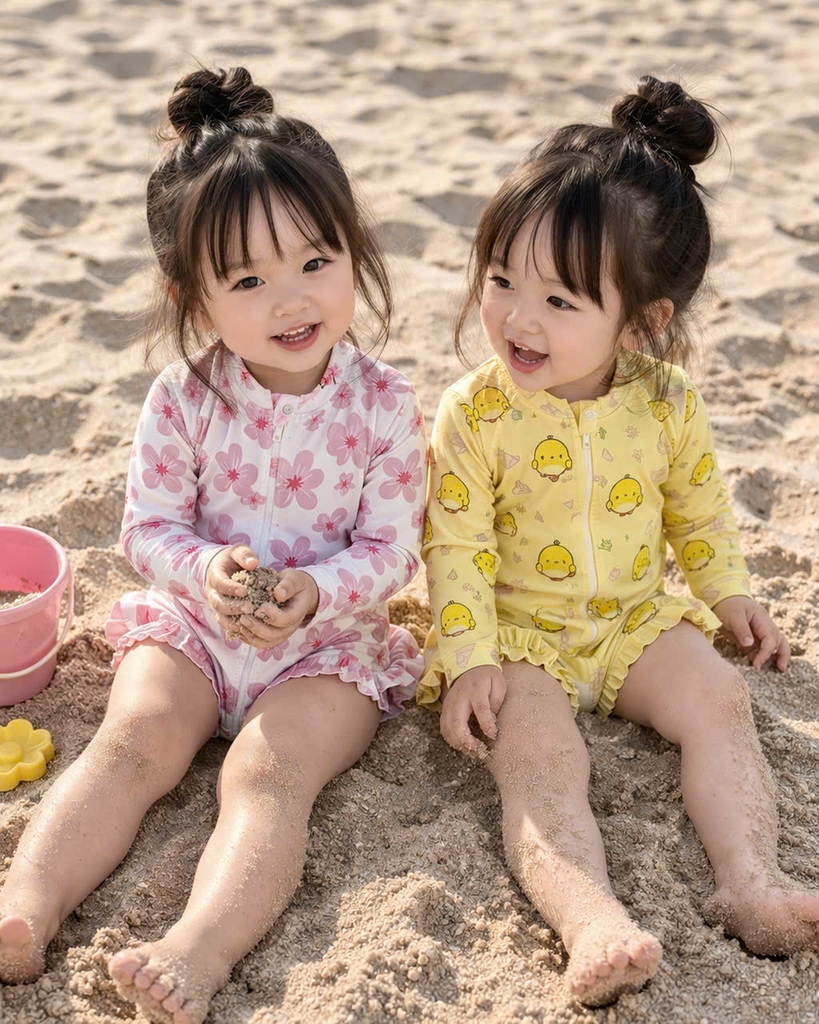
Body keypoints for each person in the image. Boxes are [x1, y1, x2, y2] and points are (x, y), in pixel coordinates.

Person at [0, 66, 426, 1024]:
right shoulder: (184, 398)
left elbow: (392, 550)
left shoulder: (385, 406)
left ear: (352, 250)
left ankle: (196, 949)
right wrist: (205, 568)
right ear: (194, 300)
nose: (290, 299)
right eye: (248, 280)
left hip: (326, 650)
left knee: (267, 777)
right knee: (131, 742)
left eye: (315, 261)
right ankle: (26, 902)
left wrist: (315, 591)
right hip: (195, 627)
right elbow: (147, 528)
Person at [419, 75, 818, 1007]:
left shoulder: (667, 402)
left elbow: (698, 513)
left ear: (641, 322)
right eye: (502, 280)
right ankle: (589, 919)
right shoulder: (474, 412)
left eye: (560, 300)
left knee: (717, 698)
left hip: (634, 621)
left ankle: (749, 882)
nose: (518, 318)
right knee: (540, 760)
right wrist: (469, 657)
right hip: (520, 637)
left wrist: (728, 595)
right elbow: (455, 544)